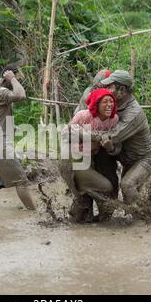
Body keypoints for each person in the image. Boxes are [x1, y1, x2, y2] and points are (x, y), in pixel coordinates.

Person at [60, 88, 120, 222]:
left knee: (86, 200)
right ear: (96, 104)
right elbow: (65, 134)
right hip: (73, 159)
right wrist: (92, 136)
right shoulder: (83, 115)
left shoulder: (114, 119)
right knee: (105, 187)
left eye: (111, 101)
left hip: (91, 158)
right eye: (105, 102)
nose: (109, 104)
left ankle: (83, 222)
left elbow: (114, 140)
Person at [99, 70, 151, 204]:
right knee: (129, 198)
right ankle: (148, 216)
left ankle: (141, 221)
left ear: (121, 90)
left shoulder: (134, 112)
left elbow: (112, 136)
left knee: (127, 186)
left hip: (144, 160)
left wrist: (81, 134)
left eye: (110, 87)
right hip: (128, 161)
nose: (107, 90)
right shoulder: (116, 107)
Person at [0, 65, 36, 210]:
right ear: (7, 77)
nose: (17, 82)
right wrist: (12, 78)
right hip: (0, 144)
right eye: (17, 79)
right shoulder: (2, 92)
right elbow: (21, 95)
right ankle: (33, 213)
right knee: (21, 181)